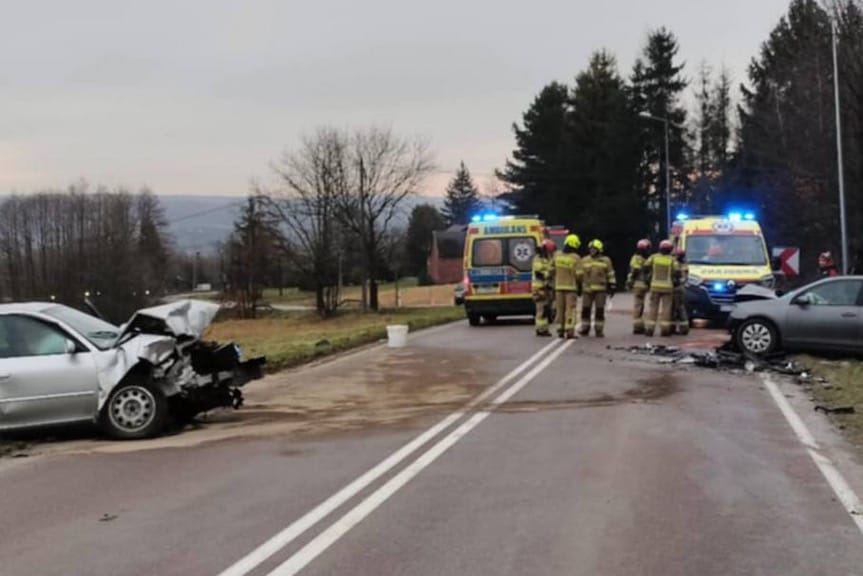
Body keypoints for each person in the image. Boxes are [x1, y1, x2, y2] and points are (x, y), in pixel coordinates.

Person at [579, 239, 616, 337]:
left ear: (599, 250)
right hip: (587, 290)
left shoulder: (606, 260)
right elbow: (580, 274)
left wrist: (612, 286)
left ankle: (599, 330)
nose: (591, 251)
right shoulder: (584, 260)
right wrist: (578, 286)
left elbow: (611, 274)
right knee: (585, 310)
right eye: (590, 249)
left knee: (600, 311)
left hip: (600, 290)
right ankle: (585, 328)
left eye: (594, 249)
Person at [643, 240, 678, 337]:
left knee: (653, 308)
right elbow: (677, 272)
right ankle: (665, 330)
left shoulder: (653, 257)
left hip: (655, 286)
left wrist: (649, 277)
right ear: (670, 249)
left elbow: (645, 267)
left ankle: (650, 329)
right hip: (668, 287)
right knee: (666, 309)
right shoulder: (672, 260)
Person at [553, 234, 581, 339]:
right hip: (571, 288)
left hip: (558, 287)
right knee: (570, 310)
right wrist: (580, 286)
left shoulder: (557, 255)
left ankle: (560, 330)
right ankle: (570, 331)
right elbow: (579, 275)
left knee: (560, 310)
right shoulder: (575, 258)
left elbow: (551, 269)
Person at [626, 239, 651, 334]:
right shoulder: (647, 259)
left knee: (639, 306)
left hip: (638, 285)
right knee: (639, 306)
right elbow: (635, 271)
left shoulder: (635, 258)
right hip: (642, 285)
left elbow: (633, 271)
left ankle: (638, 326)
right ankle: (638, 327)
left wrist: (629, 283)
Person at [531, 240, 555, 336]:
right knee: (541, 309)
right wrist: (548, 275)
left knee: (545, 309)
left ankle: (543, 328)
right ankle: (540, 329)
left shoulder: (546, 259)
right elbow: (538, 273)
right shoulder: (538, 259)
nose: (550, 253)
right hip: (539, 288)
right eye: (549, 251)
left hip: (545, 287)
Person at [672, 247, 689, 335]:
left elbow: (675, 275)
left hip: (676, 288)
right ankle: (684, 328)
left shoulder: (676, 264)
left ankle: (673, 328)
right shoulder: (685, 264)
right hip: (682, 288)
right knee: (681, 308)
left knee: (674, 308)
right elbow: (686, 277)